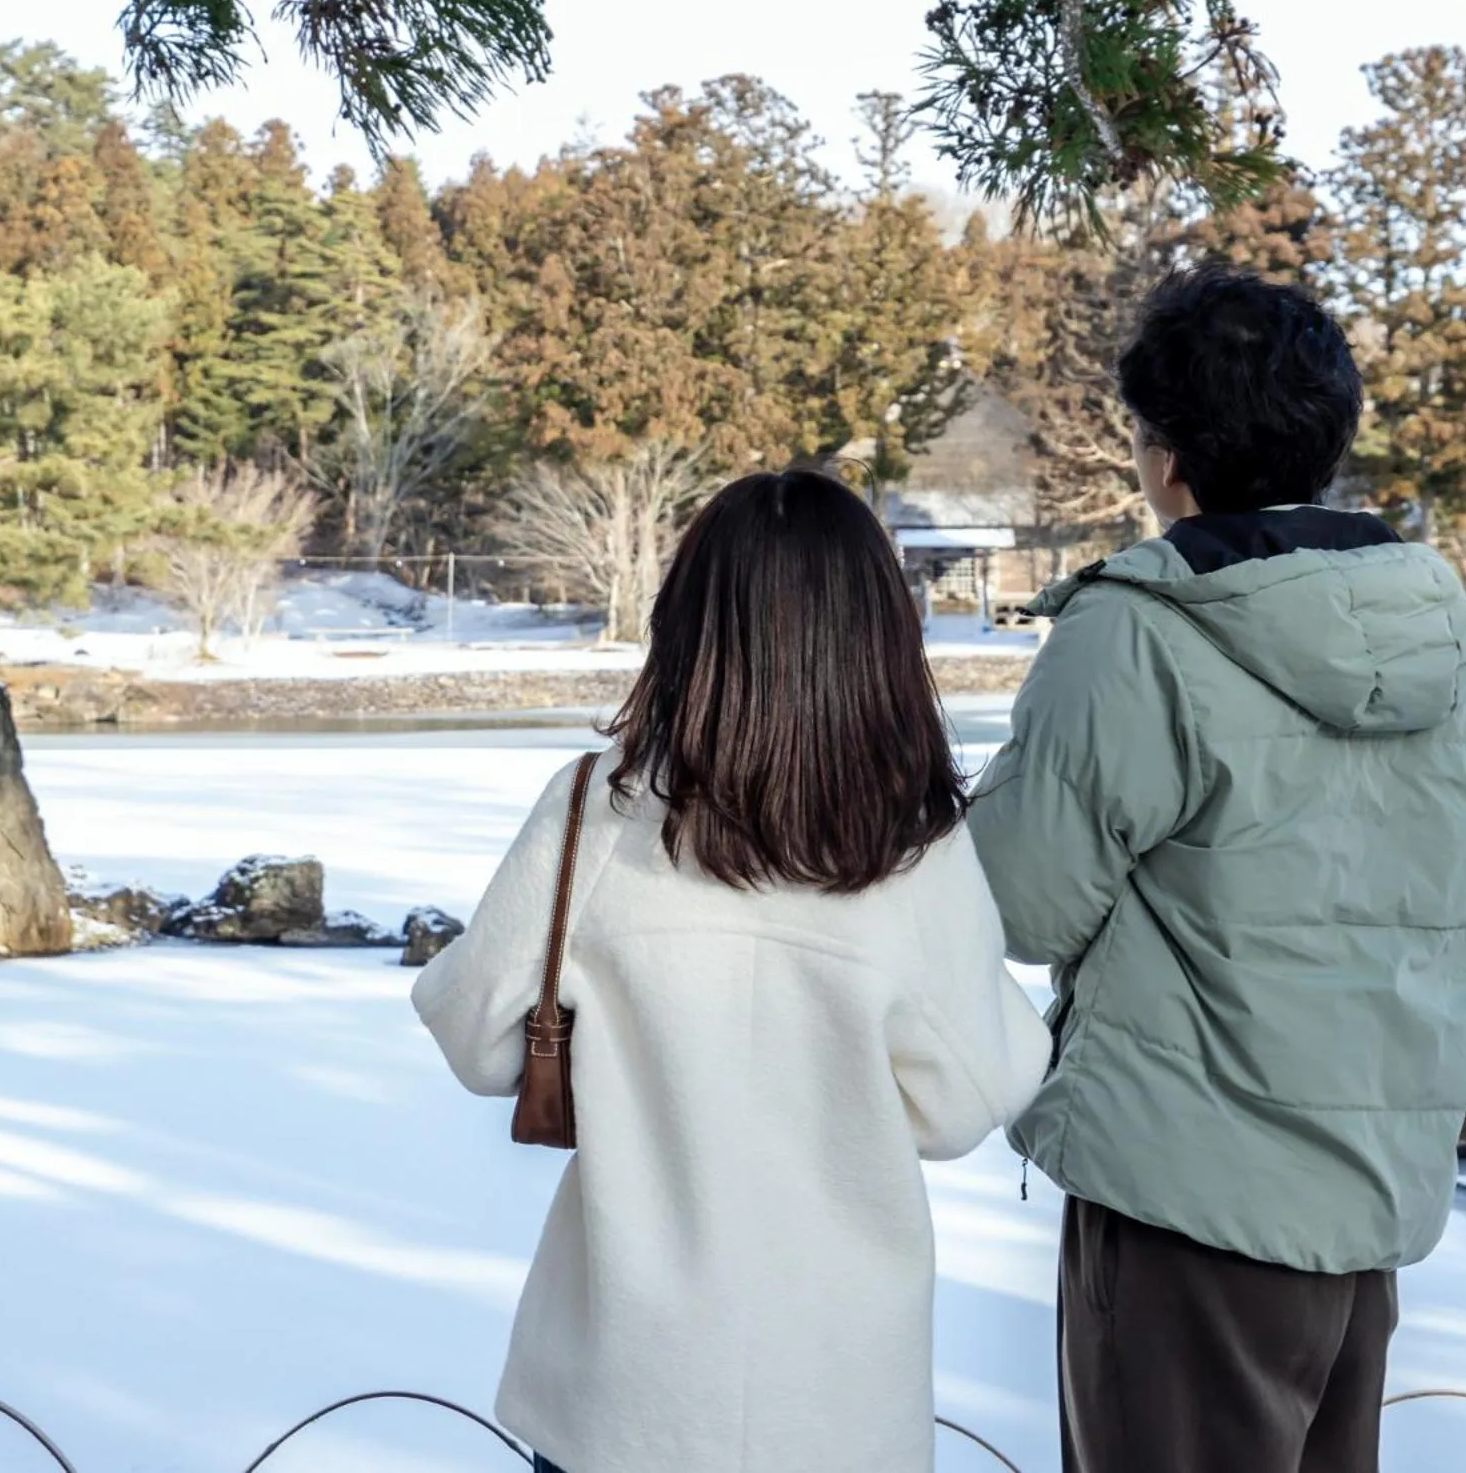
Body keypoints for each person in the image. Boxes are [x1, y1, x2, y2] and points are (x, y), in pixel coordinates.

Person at [971, 263, 1466, 1473]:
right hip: (1366, 1196)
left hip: (1183, 1194)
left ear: (1163, 452)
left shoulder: (1136, 632)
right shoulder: (1446, 656)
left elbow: (1016, 902)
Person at [412, 468, 1050, 1473]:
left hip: (623, 1386)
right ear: (878, 638)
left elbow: (477, 1038)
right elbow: (962, 1103)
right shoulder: (914, 849)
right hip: (835, 1395)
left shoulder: (594, 811)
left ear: (685, 625)